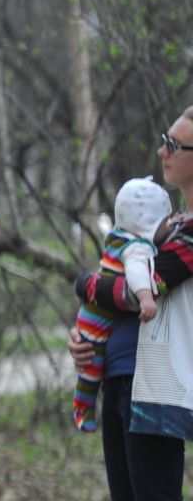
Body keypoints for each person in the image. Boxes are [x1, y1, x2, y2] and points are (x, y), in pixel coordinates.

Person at [70, 114, 193, 501]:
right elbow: (117, 295)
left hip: (159, 387)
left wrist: (85, 285)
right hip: (122, 377)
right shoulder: (168, 226)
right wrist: (85, 339)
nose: (163, 151)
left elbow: (134, 289)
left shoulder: (188, 235)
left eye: (174, 144)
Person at [74, 177, 172, 432]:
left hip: (137, 376)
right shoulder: (138, 246)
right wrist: (145, 297)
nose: (169, 225)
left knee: (89, 369)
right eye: (165, 220)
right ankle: (82, 410)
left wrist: (86, 284)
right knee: (89, 370)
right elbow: (136, 275)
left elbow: (102, 282)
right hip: (109, 349)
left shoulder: (117, 237)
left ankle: (83, 409)